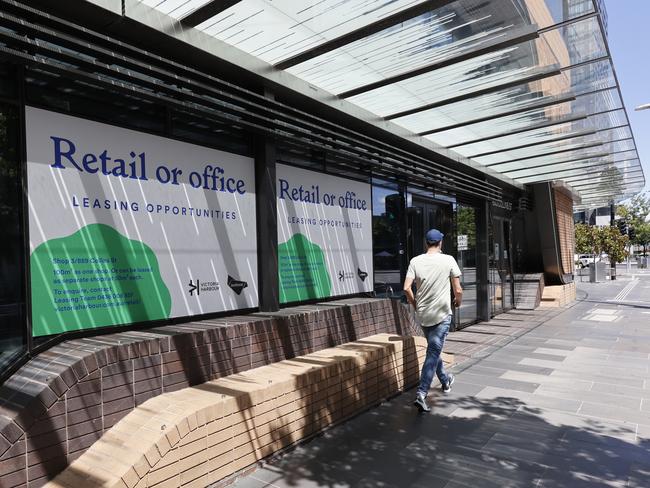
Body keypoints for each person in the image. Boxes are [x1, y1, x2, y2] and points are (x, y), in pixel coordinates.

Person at [403, 228, 462, 413]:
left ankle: (445, 380)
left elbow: (406, 288)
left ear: (426, 243)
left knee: (433, 350)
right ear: (440, 243)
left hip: (423, 315)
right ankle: (421, 393)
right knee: (433, 353)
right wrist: (457, 301)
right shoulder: (448, 259)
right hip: (442, 315)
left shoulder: (415, 261)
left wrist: (415, 305)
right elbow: (458, 290)